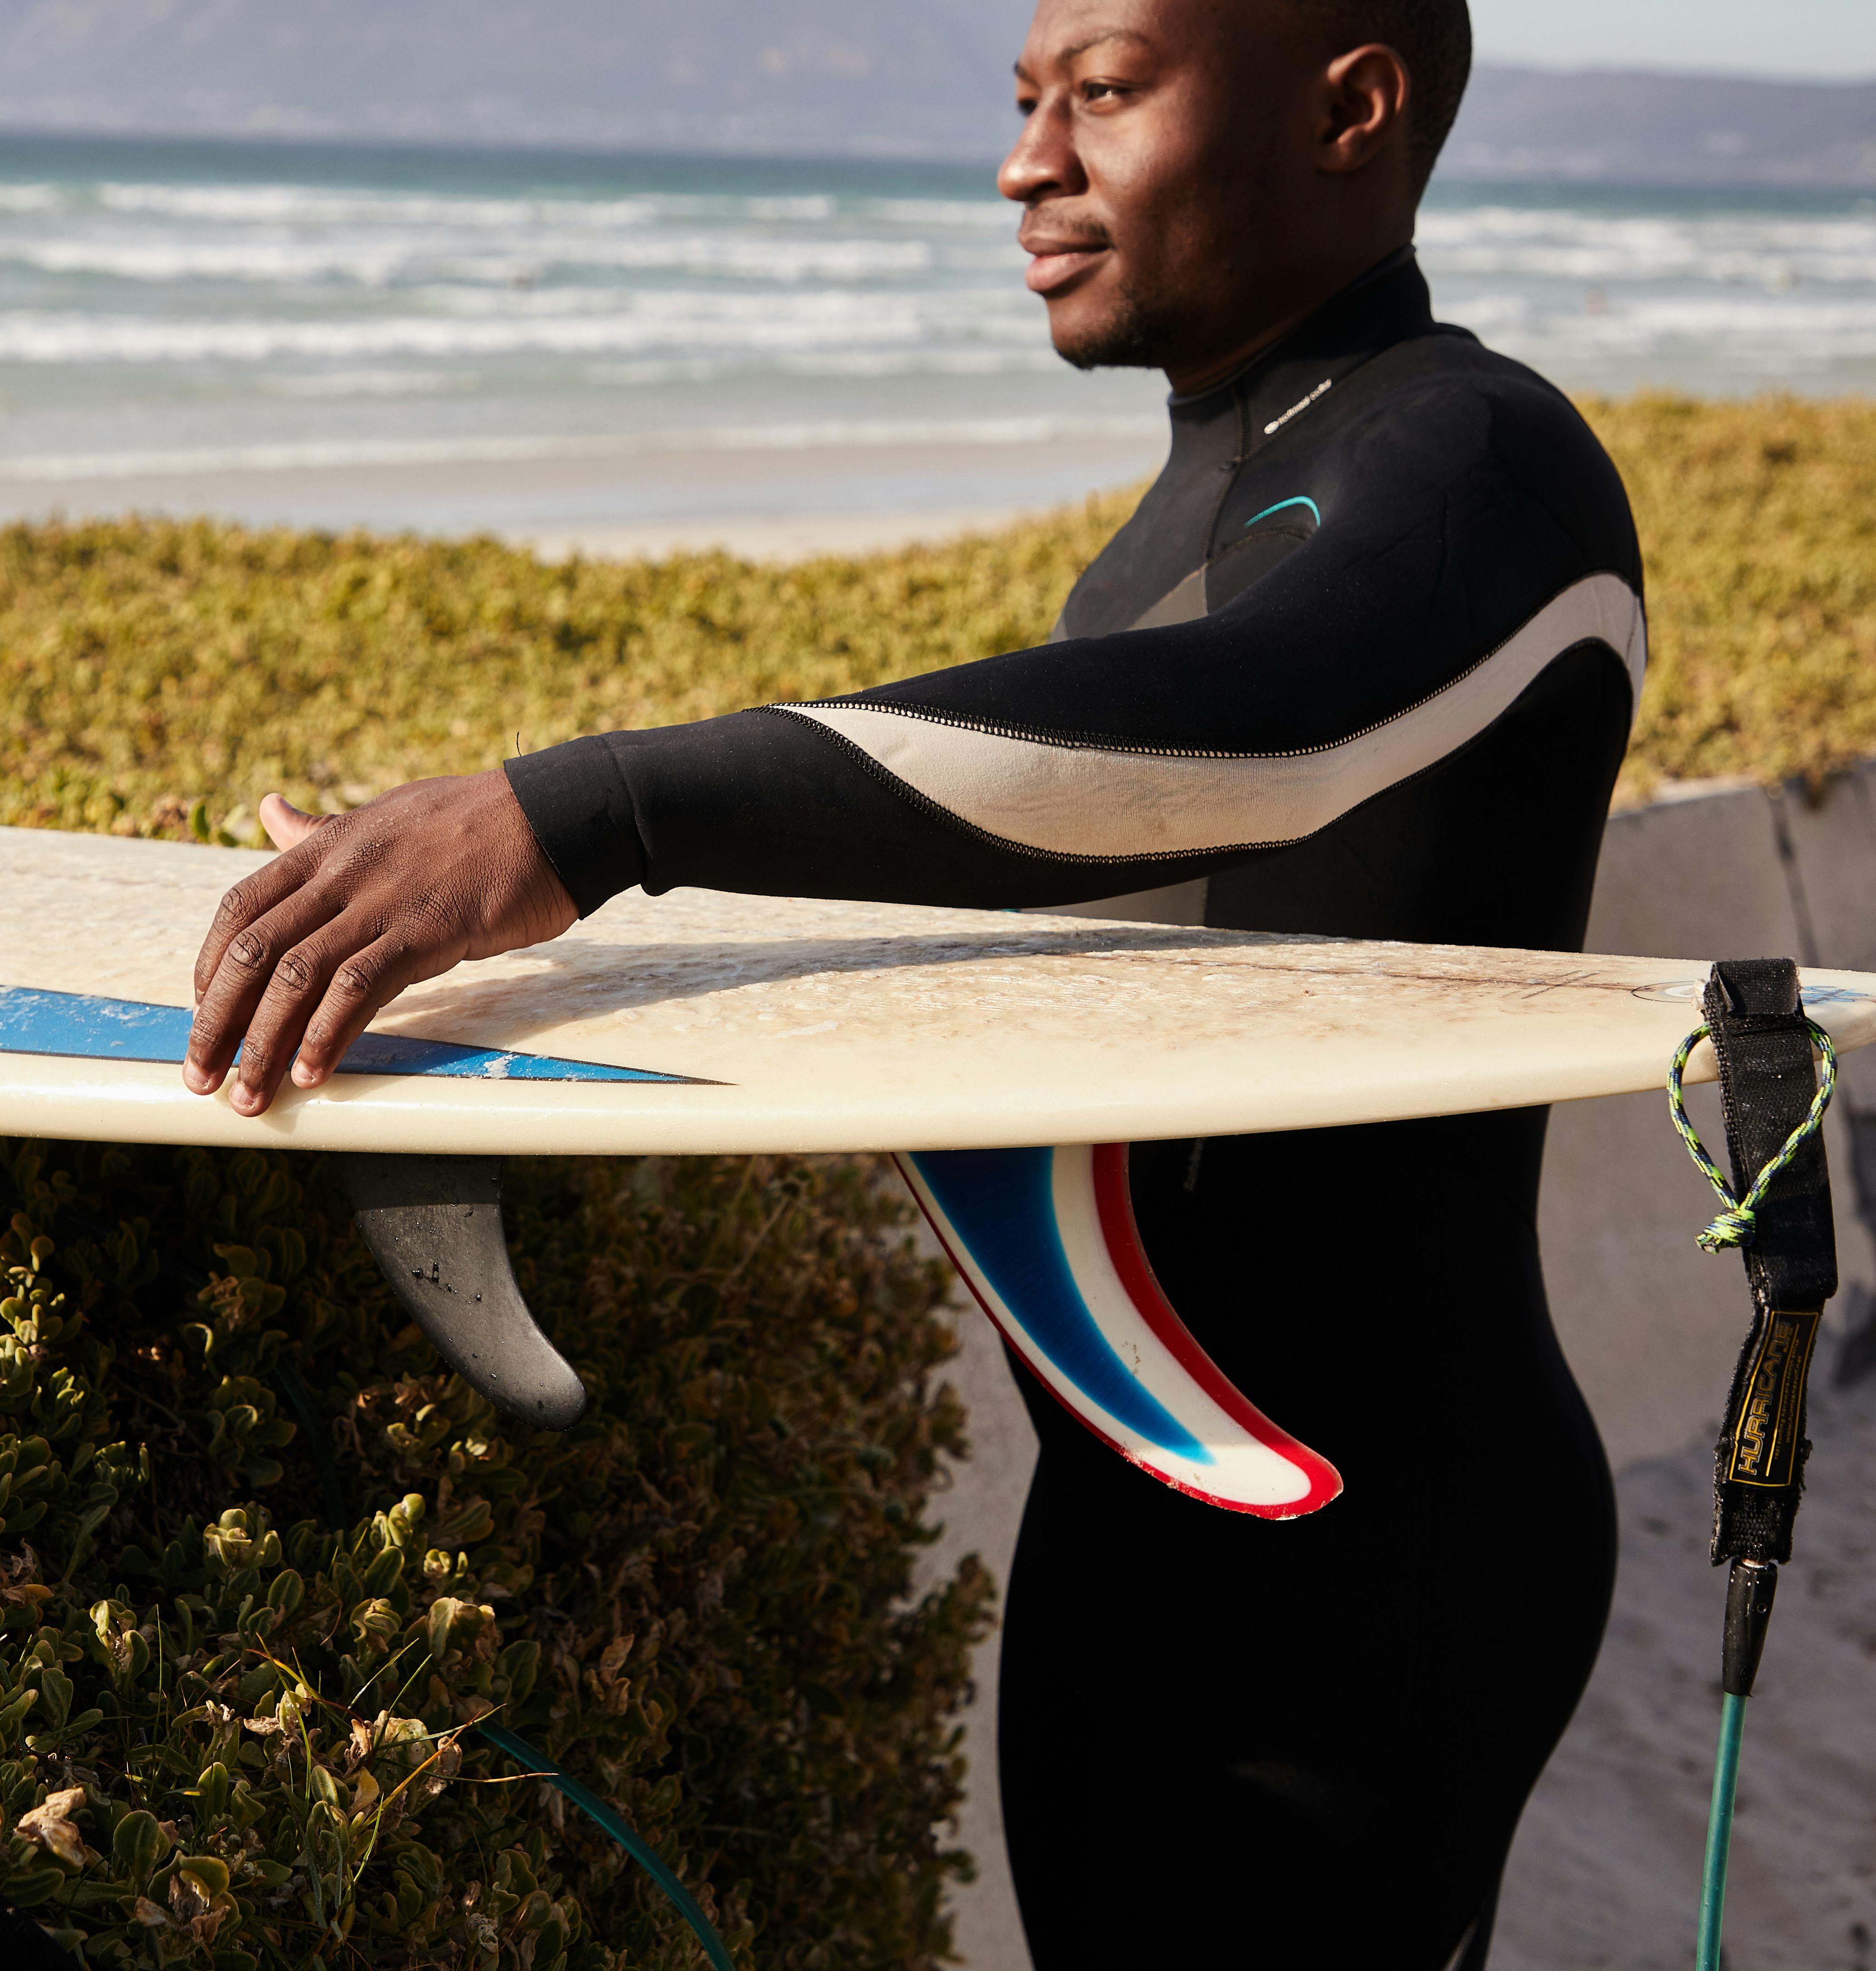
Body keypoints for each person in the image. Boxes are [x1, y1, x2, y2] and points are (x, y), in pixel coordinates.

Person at [182, 0, 1632, 1961]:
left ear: (1350, 107)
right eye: (1025, 103)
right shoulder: (1191, 517)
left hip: (1361, 1559)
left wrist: (579, 818)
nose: (1027, 165)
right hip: (1140, 1504)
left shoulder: (1477, 462)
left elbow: (1261, 733)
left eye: (1102, 92)